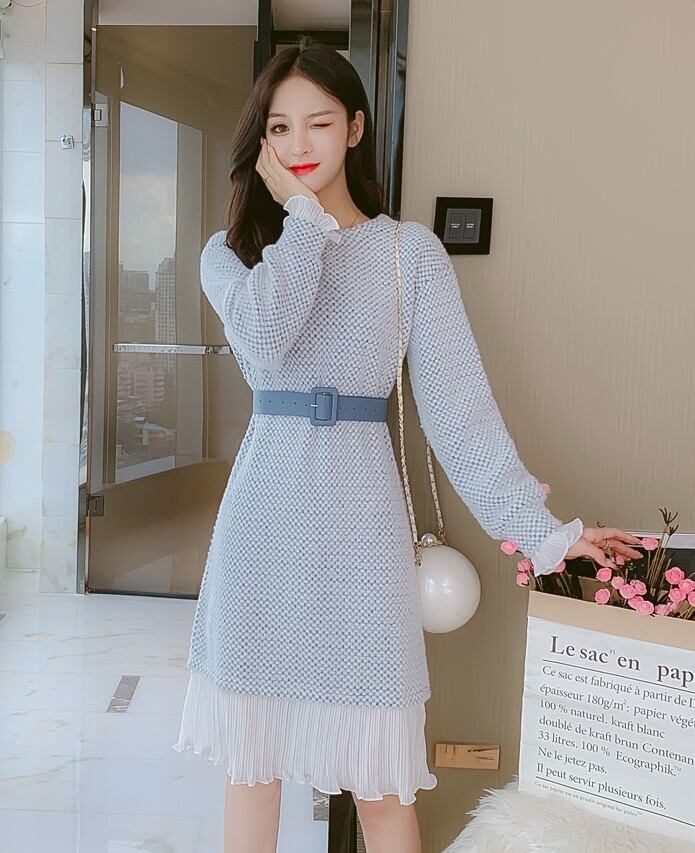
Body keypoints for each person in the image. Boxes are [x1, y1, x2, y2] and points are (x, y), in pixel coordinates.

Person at [172, 37, 644, 853]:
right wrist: (305, 223)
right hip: (262, 528)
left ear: (355, 128)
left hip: (362, 529)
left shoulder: (406, 254)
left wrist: (545, 534)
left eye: (318, 123)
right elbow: (268, 337)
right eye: (278, 128)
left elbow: (459, 414)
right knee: (252, 771)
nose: (298, 144)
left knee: (383, 786)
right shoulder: (232, 255)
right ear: (262, 143)